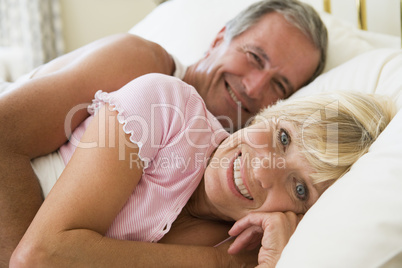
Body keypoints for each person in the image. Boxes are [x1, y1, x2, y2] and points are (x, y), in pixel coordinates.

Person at [0, 0, 328, 265]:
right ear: (219, 39)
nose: (255, 87)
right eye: (254, 56)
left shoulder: (236, 202)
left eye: (280, 85)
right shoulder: (144, 66)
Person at [9, 73, 396, 267]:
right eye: (282, 137)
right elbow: (39, 256)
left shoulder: (255, 248)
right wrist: (218, 263)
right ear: (271, 113)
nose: (263, 171)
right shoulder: (168, 108)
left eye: (299, 189)